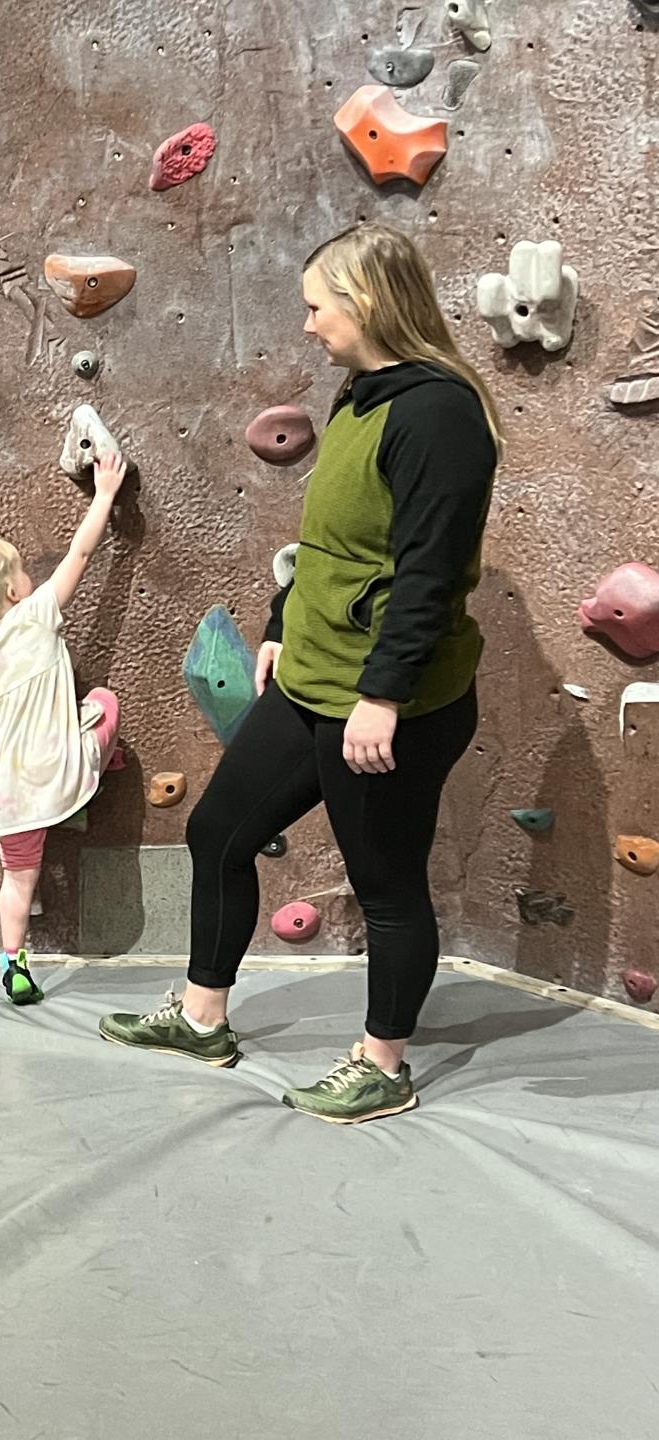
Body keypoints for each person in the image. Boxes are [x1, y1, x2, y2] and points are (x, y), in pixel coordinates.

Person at [100, 222, 503, 1124]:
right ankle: (203, 1016)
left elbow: (427, 572)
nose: (310, 324)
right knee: (217, 832)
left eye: (318, 306)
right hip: (315, 680)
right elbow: (332, 544)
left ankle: (383, 1063)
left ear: (366, 303)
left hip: (389, 702)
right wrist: (284, 623)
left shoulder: (437, 412)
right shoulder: (362, 396)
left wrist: (383, 697)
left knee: (387, 887)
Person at [0, 454, 127, 1005]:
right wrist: (103, 494)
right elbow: (82, 552)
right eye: (19, 571)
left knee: (18, 881)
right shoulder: (38, 614)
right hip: (60, 769)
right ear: (13, 593)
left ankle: (14, 966)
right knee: (103, 702)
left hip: (7, 794)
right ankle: (101, 767)